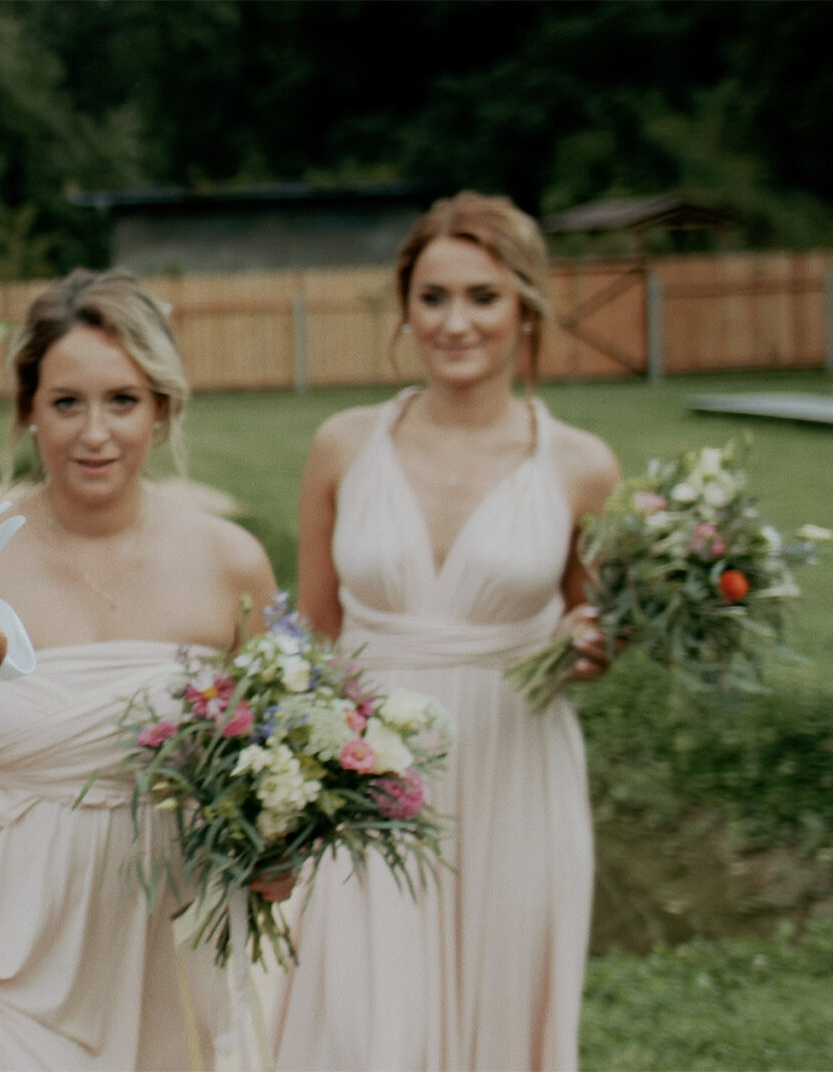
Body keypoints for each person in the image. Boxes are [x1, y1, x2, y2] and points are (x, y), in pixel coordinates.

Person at [0, 270, 278, 1068]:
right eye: (66, 403)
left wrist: (277, 854)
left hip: (165, 930)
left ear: (162, 409)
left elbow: (273, 756)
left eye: (122, 400)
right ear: (27, 410)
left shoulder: (231, 564)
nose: (95, 433)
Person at [273, 192, 619, 1070]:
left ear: (525, 308)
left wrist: (591, 649)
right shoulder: (344, 445)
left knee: (499, 1025)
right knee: (358, 1029)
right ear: (405, 307)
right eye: (433, 298)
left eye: (482, 297)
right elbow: (310, 639)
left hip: (515, 775)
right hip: (367, 776)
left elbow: (595, 636)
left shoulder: (580, 465)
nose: (455, 322)